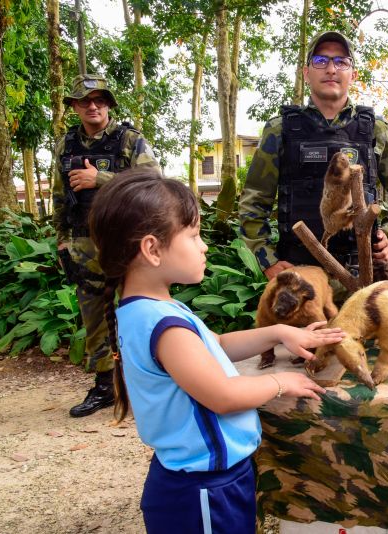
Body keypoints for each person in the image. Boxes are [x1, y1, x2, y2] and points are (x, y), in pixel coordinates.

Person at [88, 169, 345, 533]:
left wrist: (278, 332)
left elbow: (219, 345)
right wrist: (281, 382)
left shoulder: (155, 309)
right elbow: (223, 396)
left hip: (206, 481)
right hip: (203, 490)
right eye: (193, 236)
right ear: (151, 248)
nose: (204, 246)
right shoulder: (164, 325)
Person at [238, 31, 388, 280]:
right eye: (321, 61)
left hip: (361, 273)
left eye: (341, 62)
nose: (331, 69)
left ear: (352, 75)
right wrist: (267, 259)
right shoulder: (280, 129)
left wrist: (387, 234)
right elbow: (254, 200)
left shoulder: (376, 129)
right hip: (299, 276)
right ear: (306, 72)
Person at [52, 73, 161, 418]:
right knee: (94, 317)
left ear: (109, 105)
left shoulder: (129, 140)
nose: (93, 106)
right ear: (75, 107)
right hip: (84, 241)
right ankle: (104, 385)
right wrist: (61, 238)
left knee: (137, 310)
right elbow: (59, 195)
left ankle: (146, 380)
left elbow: (152, 181)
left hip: (125, 240)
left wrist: (98, 178)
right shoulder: (66, 145)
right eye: (85, 101)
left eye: (99, 100)